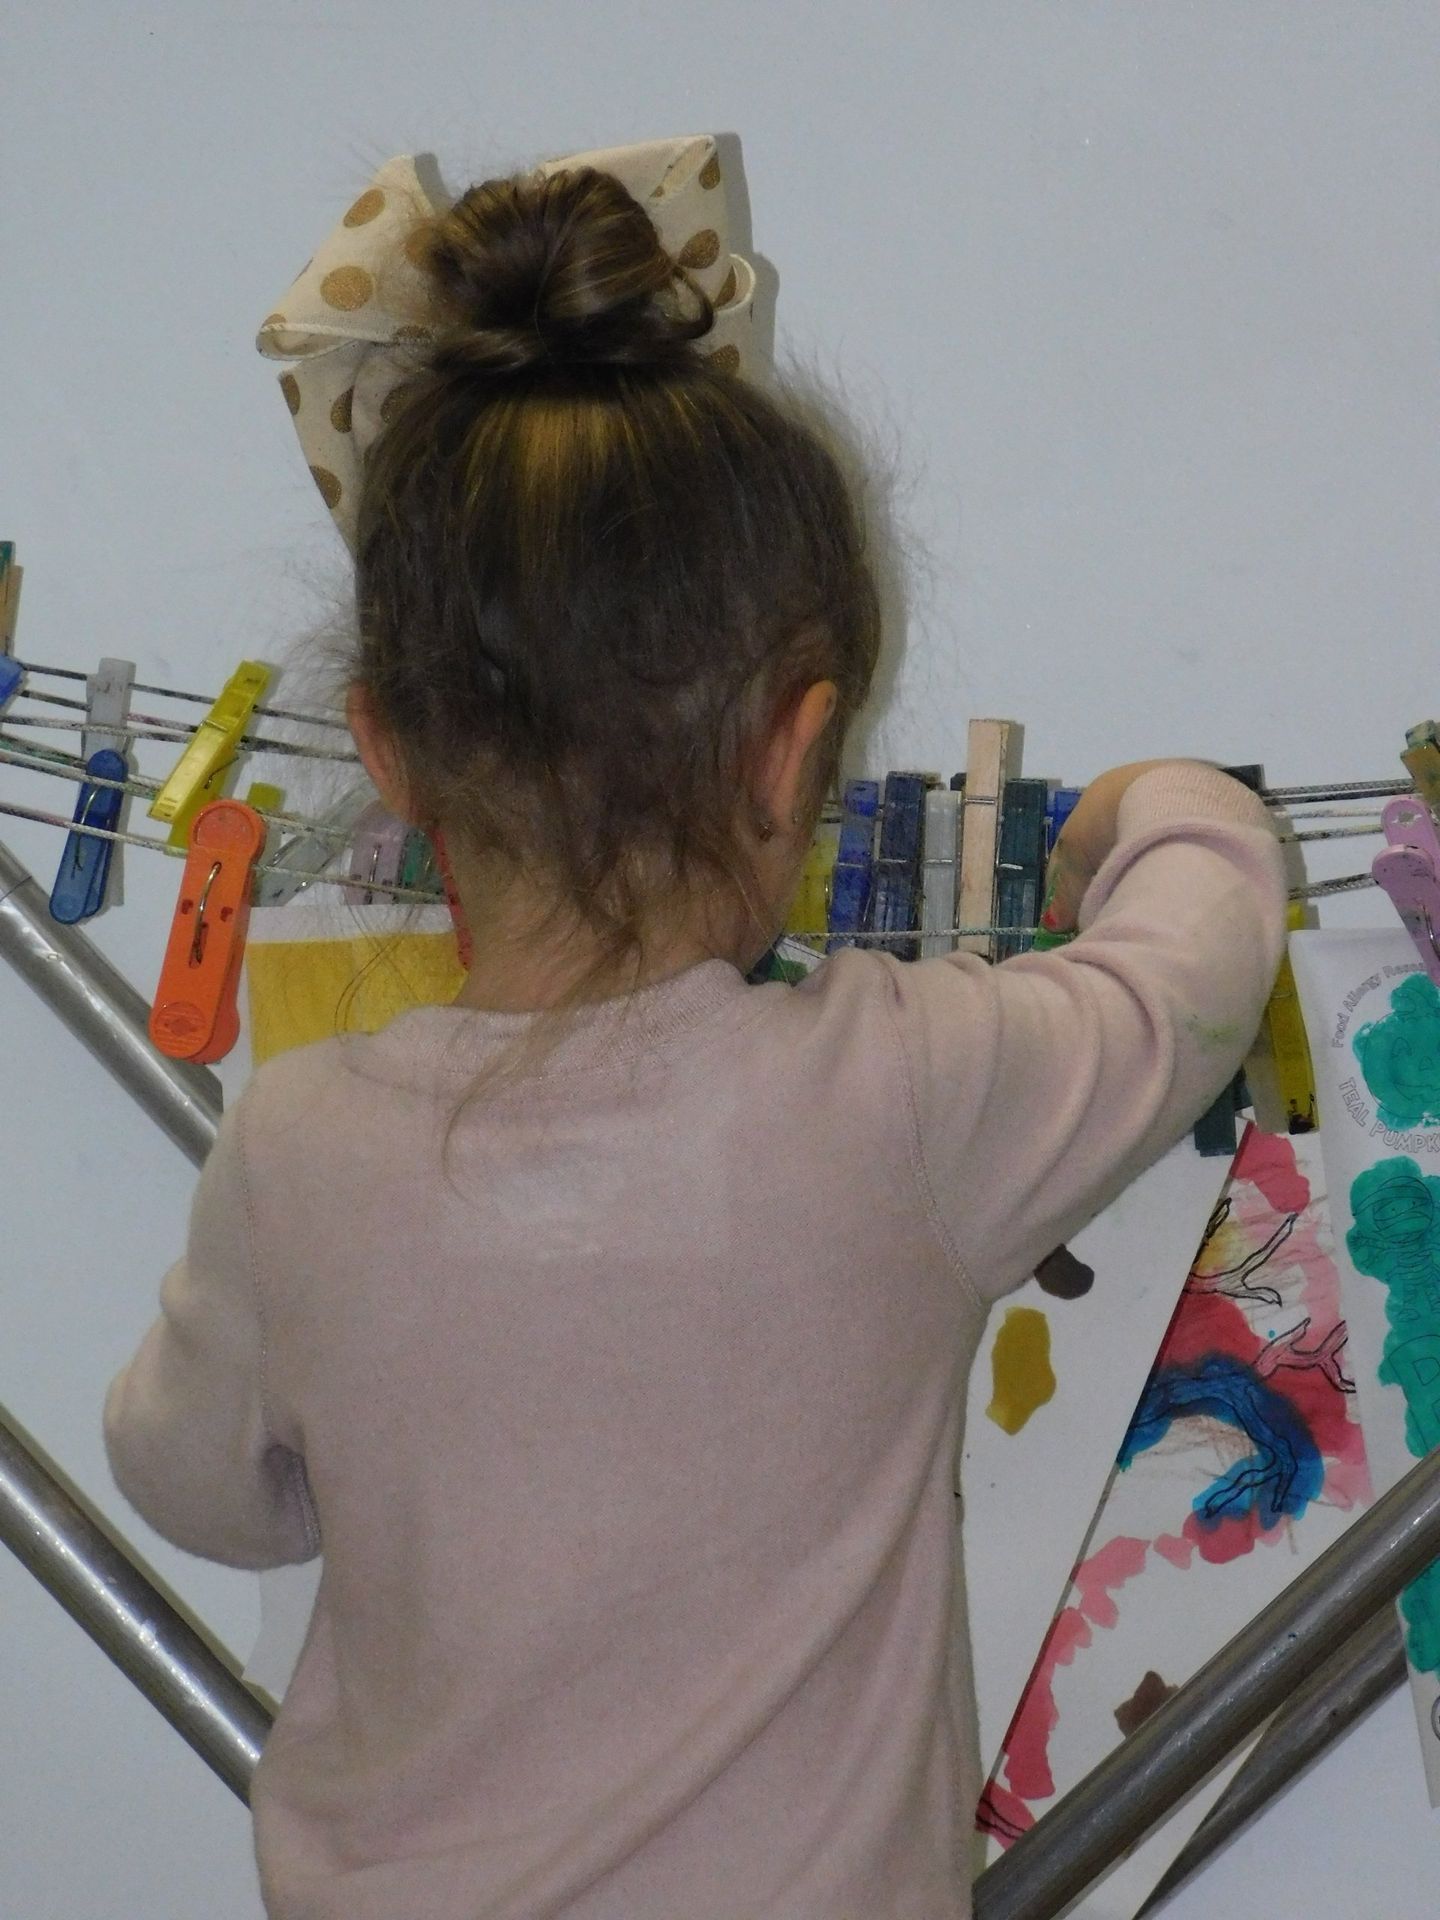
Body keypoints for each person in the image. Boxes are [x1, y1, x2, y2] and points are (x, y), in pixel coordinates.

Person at [103, 161, 1287, 1920]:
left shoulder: (300, 1149)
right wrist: (1157, 808)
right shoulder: (902, 1091)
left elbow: (192, 1483)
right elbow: (1186, 976)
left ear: (392, 751)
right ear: (794, 753)